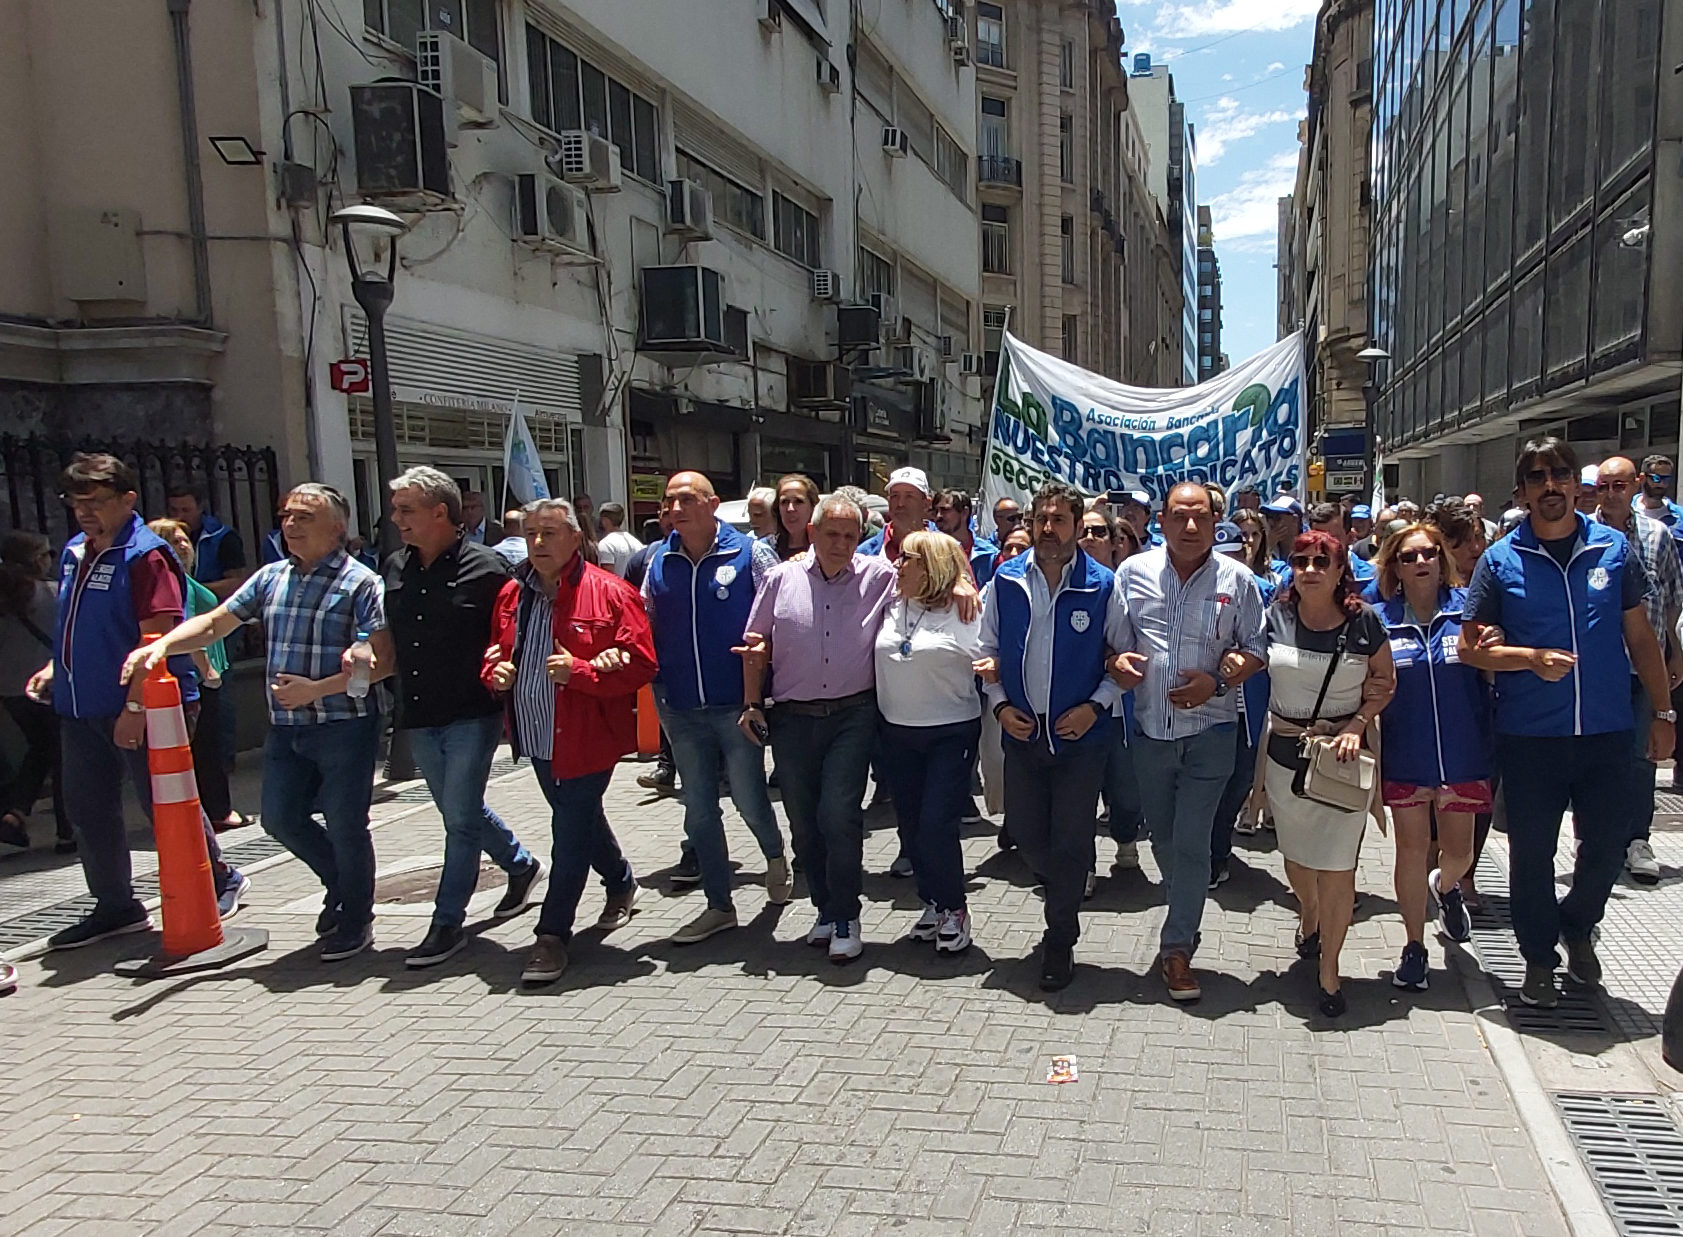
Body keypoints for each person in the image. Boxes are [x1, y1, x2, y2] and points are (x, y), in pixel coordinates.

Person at [1458, 437, 1674, 1009]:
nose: (1550, 486)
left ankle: (1577, 926)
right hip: (1531, 737)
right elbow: (1472, 649)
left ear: (1575, 483)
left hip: (1607, 732)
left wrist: (1663, 712)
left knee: (1605, 850)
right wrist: (1528, 659)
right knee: (1531, 855)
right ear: (1523, 491)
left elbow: (1642, 637)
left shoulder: (1612, 549)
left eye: (1559, 475)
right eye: (1537, 477)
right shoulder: (1500, 561)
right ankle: (1537, 957)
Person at [130, 483, 387, 961]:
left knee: (347, 824)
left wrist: (319, 687)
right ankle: (343, 886)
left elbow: (378, 665)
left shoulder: (362, 584)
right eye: (287, 516)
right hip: (286, 727)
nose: (290, 525)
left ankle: (355, 918)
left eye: (304, 517)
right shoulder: (271, 578)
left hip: (344, 725)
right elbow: (214, 623)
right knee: (281, 818)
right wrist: (160, 646)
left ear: (336, 528)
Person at [47, 454, 245, 949]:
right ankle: (115, 905)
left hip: (141, 707)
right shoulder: (76, 550)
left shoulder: (145, 555)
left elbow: (155, 638)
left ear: (127, 500)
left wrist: (136, 708)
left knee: (166, 804)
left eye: (95, 501)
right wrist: (55, 667)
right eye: (76, 502)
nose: (84, 512)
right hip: (80, 706)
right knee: (88, 810)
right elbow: (76, 623)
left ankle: (218, 878)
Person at [483, 498, 654, 984]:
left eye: (550, 533)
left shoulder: (611, 593)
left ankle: (552, 935)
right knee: (577, 818)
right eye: (531, 532)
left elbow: (641, 663)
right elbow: (497, 650)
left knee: (569, 833)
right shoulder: (513, 594)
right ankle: (621, 881)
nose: (538, 542)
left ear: (575, 538)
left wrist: (579, 671)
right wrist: (494, 672)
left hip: (588, 738)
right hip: (535, 735)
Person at [380, 468, 544, 969]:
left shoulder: (489, 568)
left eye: (407, 510)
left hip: (473, 712)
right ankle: (520, 864)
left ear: (440, 513)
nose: (397, 520)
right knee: (459, 810)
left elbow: (518, 628)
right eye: (396, 510)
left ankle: (447, 921)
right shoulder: (393, 567)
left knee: (458, 819)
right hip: (420, 712)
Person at [1110, 484, 1268, 1002]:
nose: (1191, 527)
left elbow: (1256, 649)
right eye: (1180, 517)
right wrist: (1118, 664)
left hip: (1212, 733)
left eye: (1201, 517)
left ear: (1216, 518)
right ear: (1162, 519)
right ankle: (1186, 911)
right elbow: (1112, 643)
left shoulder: (1238, 580)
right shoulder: (1131, 574)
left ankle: (1177, 947)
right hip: (1150, 731)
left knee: (1192, 840)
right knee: (1162, 837)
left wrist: (1218, 682)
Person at [979, 481, 1130, 991]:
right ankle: (1061, 895)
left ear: (1075, 526)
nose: (1048, 529)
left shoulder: (1103, 585)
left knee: (1070, 843)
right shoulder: (1005, 580)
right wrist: (999, 706)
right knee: (1026, 835)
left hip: (1079, 739)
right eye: (1041, 519)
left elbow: (1123, 662)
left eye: (1059, 520)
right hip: (1021, 734)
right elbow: (987, 651)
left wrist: (1095, 708)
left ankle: (1060, 939)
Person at [740, 494, 897, 964]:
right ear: (812, 532)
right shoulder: (778, 578)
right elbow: (755, 643)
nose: (842, 544)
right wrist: (751, 703)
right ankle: (825, 908)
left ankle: (847, 914)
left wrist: (962, 593)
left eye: (851, 536)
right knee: (804, 826)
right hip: (791, 718)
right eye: (832, 534)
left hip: (853, 715)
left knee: (838, 816)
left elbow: (924, 590)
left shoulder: (879, 577)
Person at [644, 471, 790, 944]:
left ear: (712, 504)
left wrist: (764, 686)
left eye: (687, 498)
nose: (676, 507)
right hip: (681, 707)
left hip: (736, 705)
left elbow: (778, 616)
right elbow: (643, 621)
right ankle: (719, 905)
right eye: (670, 500)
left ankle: (774, 855)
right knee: (698, 808)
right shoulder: (656, 561)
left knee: (749, 797)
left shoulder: (750, 552)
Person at [1261, 531, 1394, 1017]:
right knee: (1297, 861)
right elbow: (1251, 665)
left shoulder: (1364, 622)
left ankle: (1330, 971)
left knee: (1338, 866)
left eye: (1323, 561)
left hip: (1341, 763)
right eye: (1301, 560)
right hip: (1285, 756)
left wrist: (1358, 724)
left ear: (1341, 571)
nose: (1310, 568)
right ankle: (1309, 912)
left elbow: (1385, 683)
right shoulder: (1273, 616)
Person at [1374, 522, 1489, 992]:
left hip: (1463, 755)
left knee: (1458, 854)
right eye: (1409, 556)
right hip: (1407, 756)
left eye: (1428, 554)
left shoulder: (1469, 614)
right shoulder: (1379, 620)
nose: (1420, 562)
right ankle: (1414, 946)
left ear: (1442, 562)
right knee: (1411, 851)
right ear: (1395, 568)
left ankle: (1447, 889)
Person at [874, 530, 982, 952]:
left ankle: (955, 906)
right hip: (896, 730)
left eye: (908, 559)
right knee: (911, 825)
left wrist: (962, 582)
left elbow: (990, 657)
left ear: (932, 567)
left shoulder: (966, 609)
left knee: (937, 824)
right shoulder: (890, 602)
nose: (898, 566)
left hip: (950, 730)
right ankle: (932, 902)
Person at [1591, 457, 1683, 886]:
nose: (1611, 494)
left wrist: (1674, 653)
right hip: (1597, 667)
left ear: (1637, 485)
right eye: (1604, 486)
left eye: (1619, 485)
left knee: (1643, 755)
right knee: (1596, 756)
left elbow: (1672, 597)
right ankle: (1591, 838)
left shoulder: (1659, 535)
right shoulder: (1581, 535)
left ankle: (1636, 839)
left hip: (1645, 667)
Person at [147, 519, 242, 832]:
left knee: (209, 745)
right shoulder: (173, 582)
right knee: (208, 748)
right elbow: (182, 625)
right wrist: (205, 668)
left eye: (184, 539)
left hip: (205, 672)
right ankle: (218, 811)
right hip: (196, 677)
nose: (183, 546)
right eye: (173, 541)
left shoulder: (185, 578)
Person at [0, 533, 67, 852]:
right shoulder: (55, 594)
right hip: (51, 687)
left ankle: (16, 812)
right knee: (64, 753)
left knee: (40, 748)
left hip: (11, 690)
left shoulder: (4, 603)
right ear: (37, 561)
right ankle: (68, 830)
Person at [978, 526, 1032, 823]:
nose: (1012, 554)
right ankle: (1011, 818)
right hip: (997, 693)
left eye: (1021, 548)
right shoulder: (992, 587)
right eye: (1008, 548)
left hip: (1035, 695)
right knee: (996, 760)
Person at [165, 484, 249, 599]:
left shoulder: (224, 537)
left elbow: (236, 583)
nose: (179, 517)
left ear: (200, 508)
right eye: (173, 510)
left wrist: (194, 589)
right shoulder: (161, 537)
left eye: (186, 510)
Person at [859, 467, 939, 561]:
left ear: (926, 504)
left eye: (909, 496)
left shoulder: (948, 551)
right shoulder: (864, 554)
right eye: (895, 496)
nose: (900, 503)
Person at [935, 489, 998, 585]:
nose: (938, 515)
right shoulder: (930, 552)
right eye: (935, 511)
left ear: (964, 513)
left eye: (945, 510)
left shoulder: (989, 555)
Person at [1308, 502, 1377, 588]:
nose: (1323, 544)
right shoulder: (1297, 579)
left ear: (1350, 538)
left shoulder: (1372, 579)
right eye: (1316, 538)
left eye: (1332, 538)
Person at [767, 473, 818, 562]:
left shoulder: (825, 548)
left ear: (813, 507)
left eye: (798, 501)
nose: (790, 509)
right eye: (784, 502)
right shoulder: (767, 549)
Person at [594, 503, 644, 578]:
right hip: (634, 589)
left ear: (605, 520)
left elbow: (608, 578)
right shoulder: (637, 543)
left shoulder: (607, 544)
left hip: (617, 589)